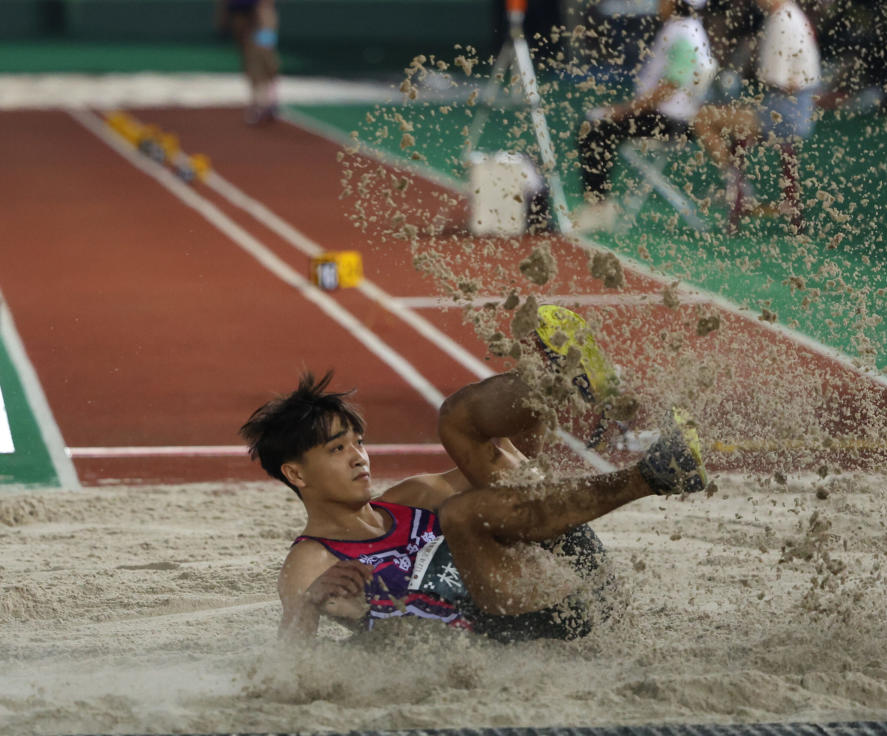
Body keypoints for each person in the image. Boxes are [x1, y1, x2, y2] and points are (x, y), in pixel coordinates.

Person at [239, 314, 708, 645]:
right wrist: (308, 607)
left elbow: (515, 463)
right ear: (296, 472)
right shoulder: (312, 560)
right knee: (463, 513)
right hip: (511, 635)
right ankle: (653, 474)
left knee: (456, 420)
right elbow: (291, 660)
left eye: (358, 442)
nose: (359, 457)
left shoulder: (411, 498)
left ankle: (559, 382)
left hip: (577, 584)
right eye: (337, 449)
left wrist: (527, 401)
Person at [575, 0, 717, 231]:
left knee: (594, 127)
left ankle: (598, 207)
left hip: (670, 120)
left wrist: (625, 110)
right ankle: (598, 204)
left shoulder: (682, 32)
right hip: (668, 115)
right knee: (598, 122)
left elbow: (670, 86)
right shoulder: (688, 28)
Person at [694, 0, 821, 232]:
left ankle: (736, 183)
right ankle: (737, 185)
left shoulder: (782, 20)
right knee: (722, 113)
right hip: (789, 110)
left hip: (785, 114)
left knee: (703, 116)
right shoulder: (788, 15)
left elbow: (779, 81)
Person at [217, 0, 280, 124]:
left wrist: (264, 11)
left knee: (264, 54)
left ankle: (268, 99)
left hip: (262, 13)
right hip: (239, 14)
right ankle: (258, 101)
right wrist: (222, 16)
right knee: (249, 58)